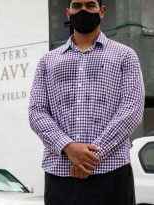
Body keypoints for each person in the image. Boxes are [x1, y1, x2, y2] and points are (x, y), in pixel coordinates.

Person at [29, 0, 145, 204]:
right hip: (60, 173)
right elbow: (37, 112)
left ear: (102, 11)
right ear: (68, 13)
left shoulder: (125, 56)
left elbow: (131, 108)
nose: (83, 10)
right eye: (77, 6)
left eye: (90, 5)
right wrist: (67, 147)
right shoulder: (48, 61)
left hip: (112, 172)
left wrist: (90, 157)